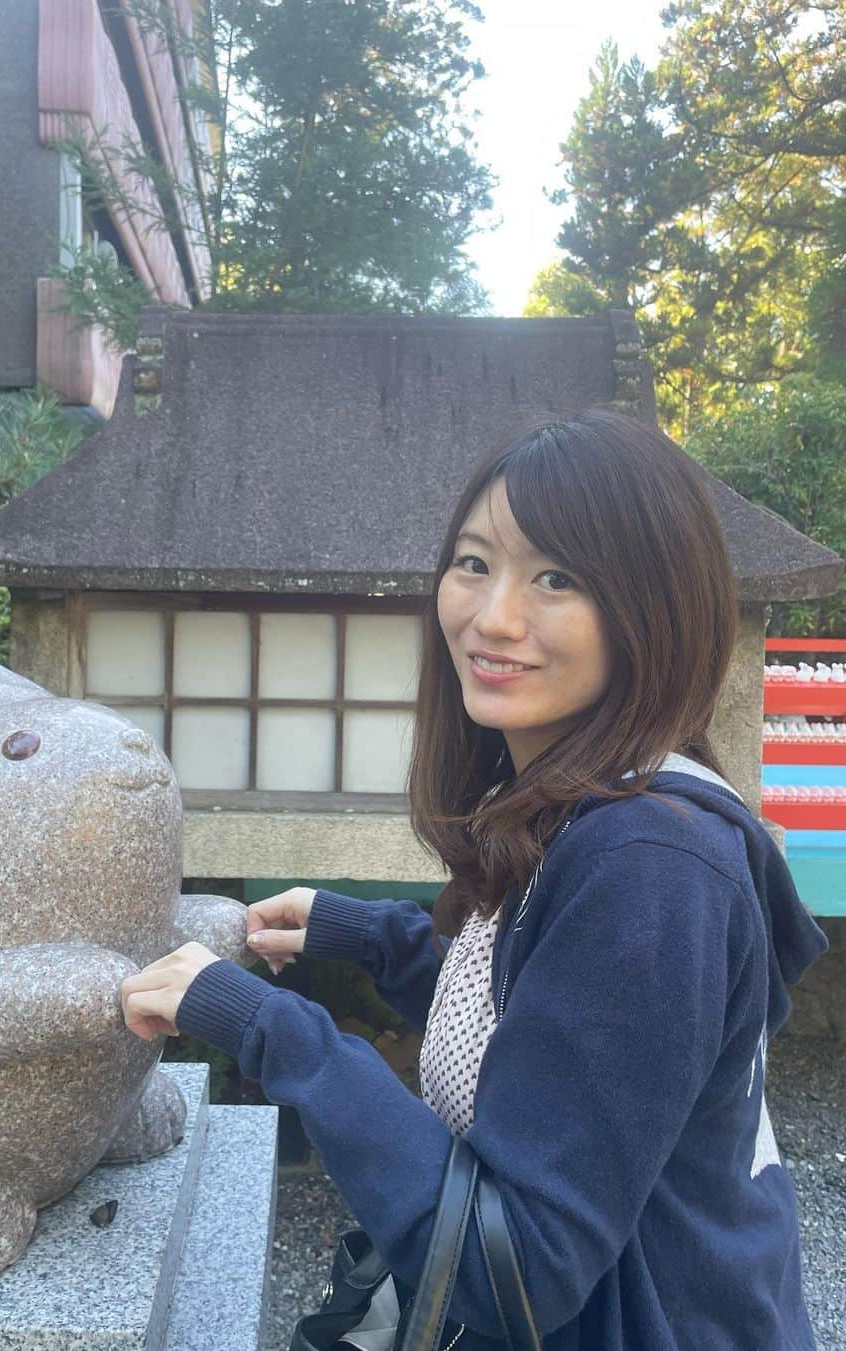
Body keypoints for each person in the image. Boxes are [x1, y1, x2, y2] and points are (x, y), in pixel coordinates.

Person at [119, 408, 827, 1349]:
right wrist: (366, 935)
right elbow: (553, 1019)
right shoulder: (595, 797)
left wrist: (272, 1029)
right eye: (474, 562)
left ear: (652, 607)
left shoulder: (651, 864)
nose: (493, 618)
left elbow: (514, 1269)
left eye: (558, 577)